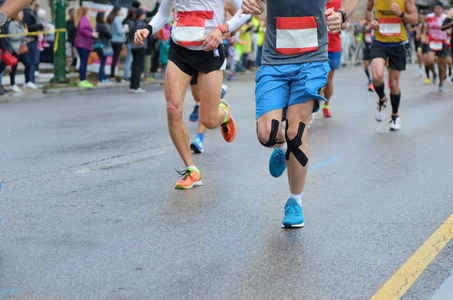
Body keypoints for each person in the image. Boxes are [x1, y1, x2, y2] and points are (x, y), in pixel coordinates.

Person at [240, 0, 358, 228]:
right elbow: (258, 4)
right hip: (274, 62)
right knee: (267, 134)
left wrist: (343, 15)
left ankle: (295, 201)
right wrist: (251, 4)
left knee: (295, 132)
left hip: (311, 61)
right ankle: (281, 147)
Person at [134, 0, 250, 189]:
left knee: (210, 120)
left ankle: (223, 112)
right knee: (173, 109)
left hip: (209, 51)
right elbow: (163, 14)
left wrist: (222, 29)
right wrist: (147, 29)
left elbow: (246, 12)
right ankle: (191, 169)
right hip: (180, 51)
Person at [366, 0, 418, 131]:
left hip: (398, 43)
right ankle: (382, 100)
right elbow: (367, 11)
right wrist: (371, 21)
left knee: (393, 83)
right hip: (379, 42)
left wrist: (401, 13)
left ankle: (395, 115)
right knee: (377, 76)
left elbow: (414, 20)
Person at [321, 0, 343, 118]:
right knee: (318, 80)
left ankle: (326, 105)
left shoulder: (338, 2)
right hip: (319, 47)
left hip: (334, 47)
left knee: (328, 80)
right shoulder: (317, 2)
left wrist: (336, 19)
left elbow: (343, 25)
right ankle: (313, 103)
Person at [424, 2, 448, 92]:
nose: (436, 10)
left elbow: (449, 28)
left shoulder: (445, 17)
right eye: (435, 8)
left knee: (441, 66)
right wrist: (424, 36)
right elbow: (426, 28)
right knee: (429, 61)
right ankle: (434, 74)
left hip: (442, 42)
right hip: (431, 42)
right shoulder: (429, 16)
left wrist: (449, 31)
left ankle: (441, 82)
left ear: (442, 9)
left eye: (438, 8)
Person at [8, 11, 33, 93]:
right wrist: (23, 34)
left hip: (22, 48)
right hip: (15, 49)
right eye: (20, 13)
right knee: (14, 68)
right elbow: (13, 37)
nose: (22, 15)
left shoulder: (21, 23)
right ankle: (12, 84)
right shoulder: (12, 24)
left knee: (28, 64)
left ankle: (27, 81)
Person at [74, 6, 98, 88]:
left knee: (83, 62)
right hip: (82, 44)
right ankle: (82, 80)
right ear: (86, 11)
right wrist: (92, 34)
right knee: (83, 62)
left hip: (84, 44)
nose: (91, 11)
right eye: (90, 10)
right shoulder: (83, 19)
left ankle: (83, 79)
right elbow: (82, 29)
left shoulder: (83, 19)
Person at [23, 0, 43, 88]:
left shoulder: (33, 12)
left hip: (35, 40)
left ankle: (32, 81)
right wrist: (39, 26)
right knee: (31, 61)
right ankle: (29, 80)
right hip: (30, 40)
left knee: (35, 61)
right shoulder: (27, 12)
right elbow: (27, 27)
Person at [130, 8, 148, 93]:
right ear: (141, 15)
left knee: (134, 66)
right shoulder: (142, 24)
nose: (145, 15)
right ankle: (136, 87)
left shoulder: (134, 23)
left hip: (133, 47)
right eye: (144, 14)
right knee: (139, 66)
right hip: (140, 46)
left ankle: (132, 86)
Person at [107, 6, 126, 81]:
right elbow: (120, 31)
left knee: (113, 59)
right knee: (115, 59)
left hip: (112, 40)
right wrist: (125, 29)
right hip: (118, 41)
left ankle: (112, 75)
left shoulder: (111, 17)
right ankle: (113, 76)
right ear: (118, 11)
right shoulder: (117, 18)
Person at [94, 11, 113, 85]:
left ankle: (104, 78)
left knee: (102, 62)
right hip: (103, 46)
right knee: (102, 63)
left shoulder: (97, 25)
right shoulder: (103, 25)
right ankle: (101, 79)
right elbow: (110, 35)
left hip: (97, 46)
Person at [122, 7, 136, 82]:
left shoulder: (127, 21)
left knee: (130, 59)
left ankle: (127, 75)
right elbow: (127, 32)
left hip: (129, 41)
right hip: (129, 41)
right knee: (129, 59)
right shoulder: (129, 21)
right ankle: (126, 76)